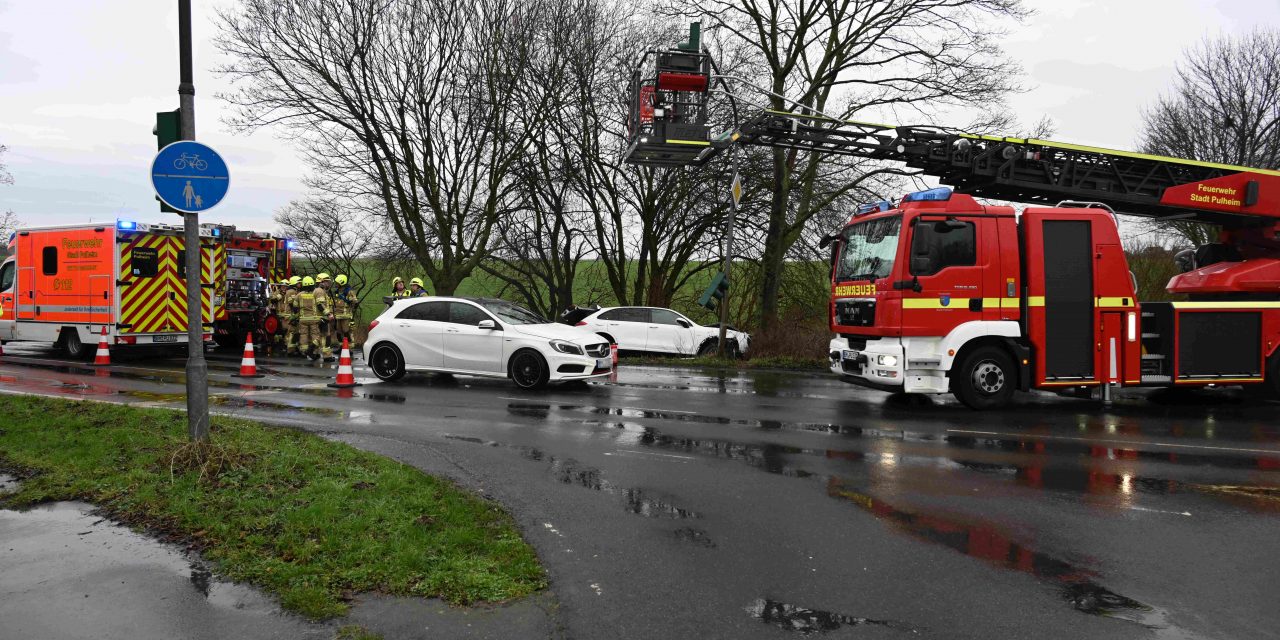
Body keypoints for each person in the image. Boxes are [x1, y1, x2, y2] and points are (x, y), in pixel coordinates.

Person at [291, 276, 333, 362]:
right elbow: (319, 305)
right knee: (315, 335)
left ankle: (304, 351)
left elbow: (294, 307)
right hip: (315, 318)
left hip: (303, 319)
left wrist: (295, 317)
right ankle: (315, 352)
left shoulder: (299, 295)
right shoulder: (315, 293)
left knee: (303, 335)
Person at [331, 274, 358, 348]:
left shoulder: (349, 292)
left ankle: (349, 348)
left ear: (341, 282)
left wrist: (351, 308)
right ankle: (341, 347)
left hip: (346, 315)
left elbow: (355, 302)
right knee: (339, 332)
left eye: (337, 283)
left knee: (346, 331)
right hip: (338, 315)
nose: (336, 284)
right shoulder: (337, 291)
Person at [282, 276, 302, 356]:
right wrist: (295, 314)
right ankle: (290, 349)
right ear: (294, 283)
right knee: (292, 332)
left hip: (291, 314)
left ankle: (291, 347)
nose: (300, 284)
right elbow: (292, 304)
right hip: (291, 314)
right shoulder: (291, 291)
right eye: (298, 282)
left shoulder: (293, 291)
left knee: (292, 332)